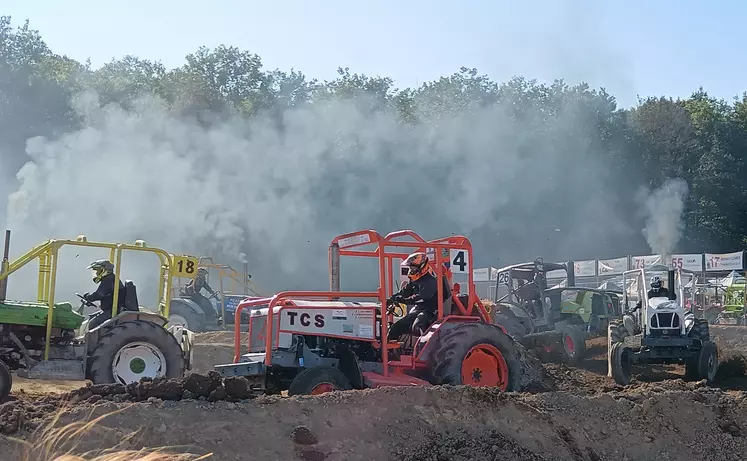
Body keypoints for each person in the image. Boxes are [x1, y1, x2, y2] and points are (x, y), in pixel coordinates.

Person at [386, 252, 451, 342]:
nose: (411, 270)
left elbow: (422, 298)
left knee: (418, 326)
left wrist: (404, 301)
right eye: (411, 268)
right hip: (418, 311)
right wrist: (392, 299)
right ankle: (390, 350)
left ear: (422, 267)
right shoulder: (414, 281)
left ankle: (424, 348)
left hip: (431, 312)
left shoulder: (430, 281)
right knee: (396, 327)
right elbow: (404, 292)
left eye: (413, 268)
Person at [83, 260, 126, 330]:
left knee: (93, 323)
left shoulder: (108, 280)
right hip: (111, 309)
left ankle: (92, 340)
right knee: (91, 318)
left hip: (113, 311)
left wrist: (89, 297)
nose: (96, 273)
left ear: (104, 271)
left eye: (98, 271)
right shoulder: (110, 278)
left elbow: (99, 294)